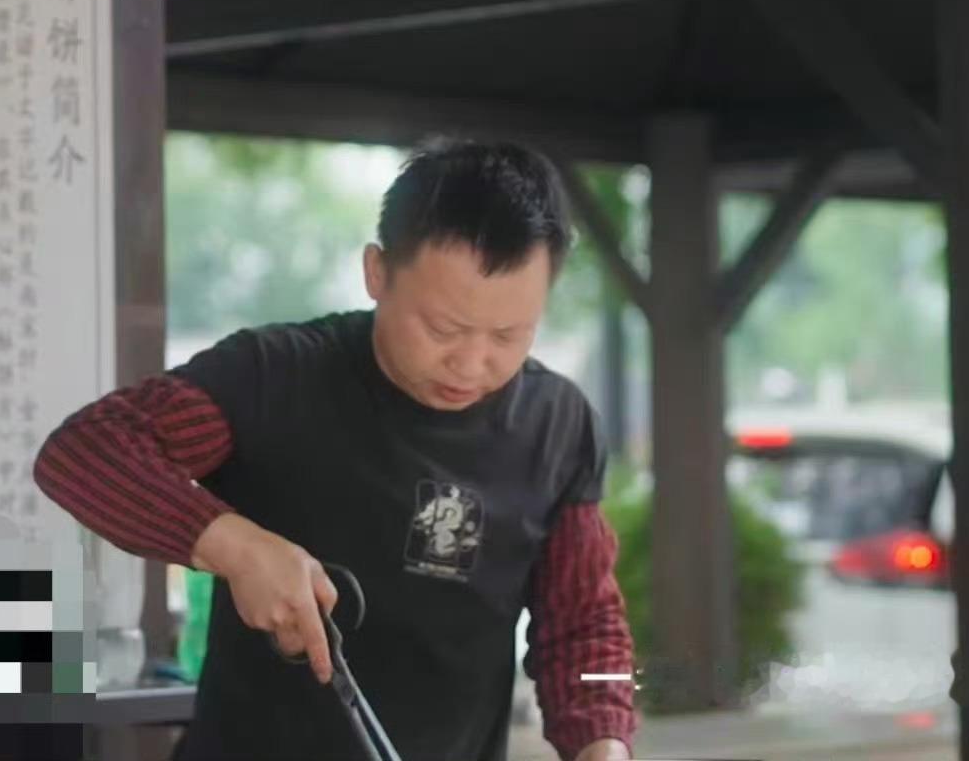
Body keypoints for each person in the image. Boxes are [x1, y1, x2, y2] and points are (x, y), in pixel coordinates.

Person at [33, 140, 637, 761]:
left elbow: (585, 628)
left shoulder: (558, 427)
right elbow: (84, 452)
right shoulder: (274, 377)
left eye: (510, 334)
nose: (472, 361)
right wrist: (234, 546)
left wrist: (604, 741)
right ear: (377, 272)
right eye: (443, 328)